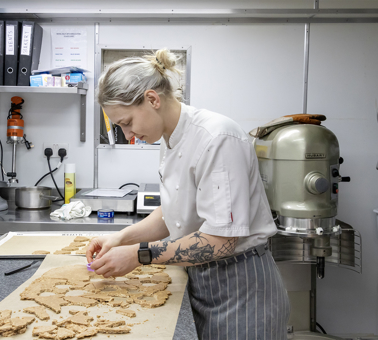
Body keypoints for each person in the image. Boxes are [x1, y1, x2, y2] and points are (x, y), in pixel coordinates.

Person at [87, 48, 290, 340]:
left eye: (127, 122)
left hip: (241, 286)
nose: (129, 134)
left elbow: (221, 242)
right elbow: (174, 211)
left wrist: (139, 254)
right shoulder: (169, 138)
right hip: (202, 279)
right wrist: (121, 238)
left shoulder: (216, 138)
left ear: (152, 99)